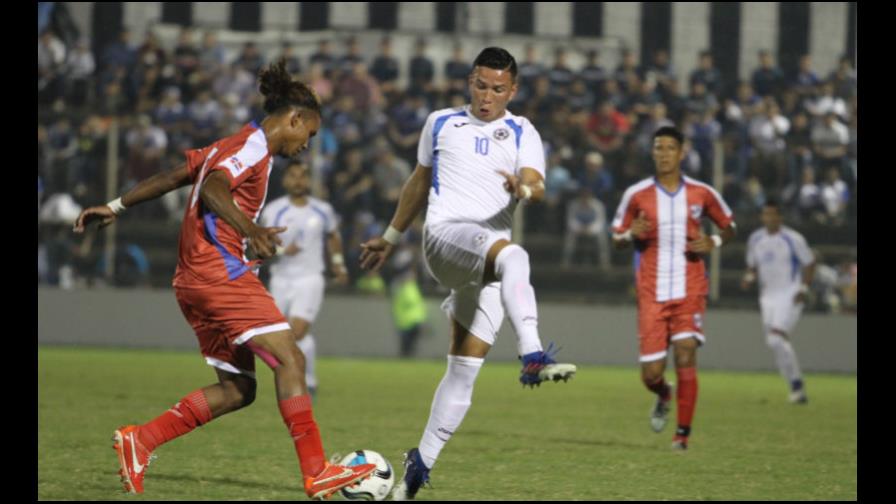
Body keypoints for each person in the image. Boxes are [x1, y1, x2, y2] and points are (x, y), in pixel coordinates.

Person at [72, 60, 376, 499]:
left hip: (192, 279)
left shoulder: (232, 144)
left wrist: (116, 205)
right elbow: (214, 188)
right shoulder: (252, 147)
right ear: (293, 118)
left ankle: (141, 440)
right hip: (218, 272)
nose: (307, 144)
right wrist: (250, 230)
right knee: (291, 358)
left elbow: (176, 176)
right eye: (308, 133)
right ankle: (317, 472)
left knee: (238, 389)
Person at [358, 47, 577, 500]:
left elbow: (535, 182)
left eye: (498, 88)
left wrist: (525, 187)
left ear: (512, 91)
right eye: (481, 85)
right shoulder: (441, 121)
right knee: (517, 257)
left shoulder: (522, 131)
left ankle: (416, 471)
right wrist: (391, 237)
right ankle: (533, 355)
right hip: (445, 238)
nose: (487, 96)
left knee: (465, 367)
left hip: (484, 266)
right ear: (469, 81)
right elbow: (419, 181)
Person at [611, 126, 737, 451]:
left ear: (682, 153)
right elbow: (616, 237)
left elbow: (730, 225)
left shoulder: (702, 193)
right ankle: (663, 393)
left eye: (670, 148)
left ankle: (682, 435)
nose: (664, 153)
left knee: (685, 352)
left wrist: (714, 241)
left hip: (689, 288)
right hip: (651, 292)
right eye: (658, 148)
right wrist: (630, 235)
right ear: (652, 153)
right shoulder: (637, 194)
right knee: (650, 374)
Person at [259, 161, 349, 398]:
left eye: (302, 176)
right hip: (281, 279)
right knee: (279, 337)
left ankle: (304, 383)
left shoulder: (322, 210)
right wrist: (280, 252)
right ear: (285, 180)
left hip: (310, 279)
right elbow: (260, 244)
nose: (298, 181)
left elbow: (333, 236)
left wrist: (338, 264)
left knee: (297, 332)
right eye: (293, 176)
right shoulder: (273, 210)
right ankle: (307, 379)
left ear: (308, 181)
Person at [741, 199, 814, 403]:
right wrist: (749, 278)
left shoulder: (793, 239)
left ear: (780, 217)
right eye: (766, 214)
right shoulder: (755, 239)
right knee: (774, 342)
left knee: (776, 337)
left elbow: (809, 263)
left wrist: (803, 288)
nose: (769, 218)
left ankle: (797, 385)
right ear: (763, 216)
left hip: (790, 294)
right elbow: (752, 266)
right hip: (768, 297)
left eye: (773, 214)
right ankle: (795, 387)